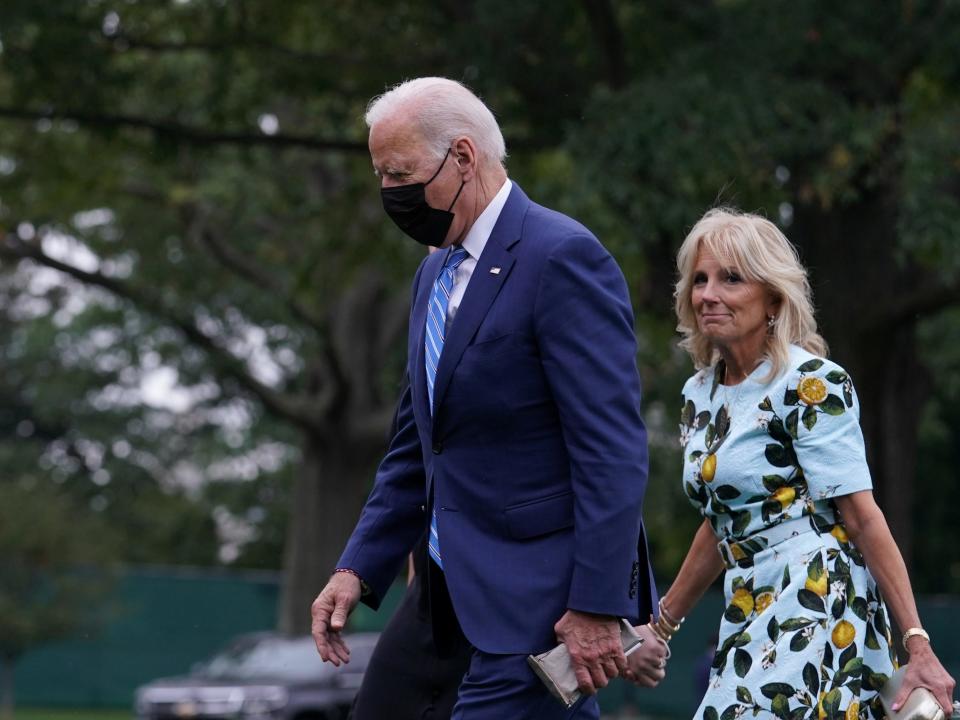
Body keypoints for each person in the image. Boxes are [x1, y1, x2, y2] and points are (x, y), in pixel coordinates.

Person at [310, 76, 666, 719]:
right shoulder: (432, 272)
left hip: (537, 612)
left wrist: (595, 606)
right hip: (438, 604)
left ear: (464, 157)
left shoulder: (562, 257)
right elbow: (417, 447)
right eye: (380, 175)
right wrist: (356, 568)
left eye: (400, 172)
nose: (390, 192)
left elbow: (611, 452)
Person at [653, 208, 955, 720]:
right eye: (699, 279)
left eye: (731, 278)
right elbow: (724, 519)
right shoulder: (698, 394)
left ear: (773, 298)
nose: (708, 294)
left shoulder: (811, 383)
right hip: (746, 603)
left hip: (814, 595)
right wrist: (660, 626)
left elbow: (862, 516)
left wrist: (918, 643)